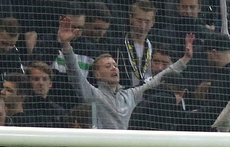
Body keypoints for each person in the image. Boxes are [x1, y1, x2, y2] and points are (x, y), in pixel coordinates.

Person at [58, 15, 193, 129]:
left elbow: (159, 78)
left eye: (115, 65)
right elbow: (75, 73)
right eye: (107, 66)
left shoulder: (131, 94)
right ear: (97, 74)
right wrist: (65, 45)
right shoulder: (94, 94)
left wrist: (184, 60)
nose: (114, 68)